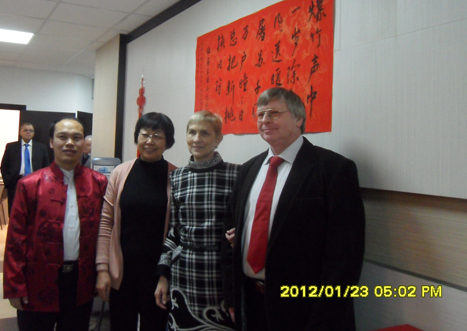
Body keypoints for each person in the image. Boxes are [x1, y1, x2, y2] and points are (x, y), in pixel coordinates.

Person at [222, 87, 365, 331]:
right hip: (251, 302)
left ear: (299, 118)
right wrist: (232, 297)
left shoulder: (333, 169)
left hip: (305, 308)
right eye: (260, 114)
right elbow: (229, 234)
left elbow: (345, 256)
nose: (265, 120)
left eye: (274, 113)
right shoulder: (248, 169)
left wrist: (325, 317)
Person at [3, 118, 108, 331]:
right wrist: (14, 285)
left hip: (81, 282)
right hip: (37, 280)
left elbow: (105, 233)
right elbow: (15, 239)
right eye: (63, 137)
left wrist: (102, 272)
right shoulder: (30, 184)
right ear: (51, 142)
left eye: (76, 138)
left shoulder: (98, 183)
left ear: (84, 143)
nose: (70, 143)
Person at [155, 111, 239, 330]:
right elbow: (174, 231)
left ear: (218, 139)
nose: (196, 139)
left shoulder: (237, 174)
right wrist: (163, 275)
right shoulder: (177, 177)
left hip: (221, 274)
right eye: (191, 132)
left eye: (205, 133)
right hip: (184, 272)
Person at [96, 112, 176, 331]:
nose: (150, 141)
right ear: (137, 137)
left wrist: (166, 274)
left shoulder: (176, 176)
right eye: (144, 134)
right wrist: (102, 269)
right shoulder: (120, 173)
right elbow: (106, 223)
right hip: (122, 272)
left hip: (157, 274)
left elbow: (176, 231)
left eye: (157, 136)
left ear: (168, 141)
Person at [0, 122, 50, 215]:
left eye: (31, 130)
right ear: (20, 132)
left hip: (35, 183)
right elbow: (4, 166)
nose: (28, 132)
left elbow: (46, 167)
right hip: (16, 182)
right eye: (25, 130)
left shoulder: (41, 147)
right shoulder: (11, 147)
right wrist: (7, 181)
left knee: (34, 211)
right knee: (15, 211)